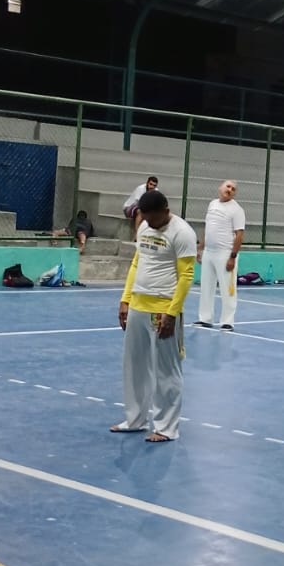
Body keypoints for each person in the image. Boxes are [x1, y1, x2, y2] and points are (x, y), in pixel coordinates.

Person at [114, 189, 197, 443]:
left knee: (166, 371)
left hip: (163, 309)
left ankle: (167, 428)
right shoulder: (145, 227)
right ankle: (135, 419)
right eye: (145, 217)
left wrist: (172, 312)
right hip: (138, 305)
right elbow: (136, 263)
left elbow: (186, 275)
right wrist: (126, 299)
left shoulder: (183, 233)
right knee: (134, 366)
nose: (148, 223)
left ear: (165, 210)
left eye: (152, 218)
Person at [196, 179, 246, 331]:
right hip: (209, 253)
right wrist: (200, 248)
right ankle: (205, 318)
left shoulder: (237, 210)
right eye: (228, 186)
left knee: (227, 289)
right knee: (206, 287)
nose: (230, 190)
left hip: (225, 254)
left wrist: (233, 257)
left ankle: (227, 321)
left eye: (233, 189)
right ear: (221, 187)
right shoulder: (212, 204)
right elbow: (208, 228)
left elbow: (239, 235)